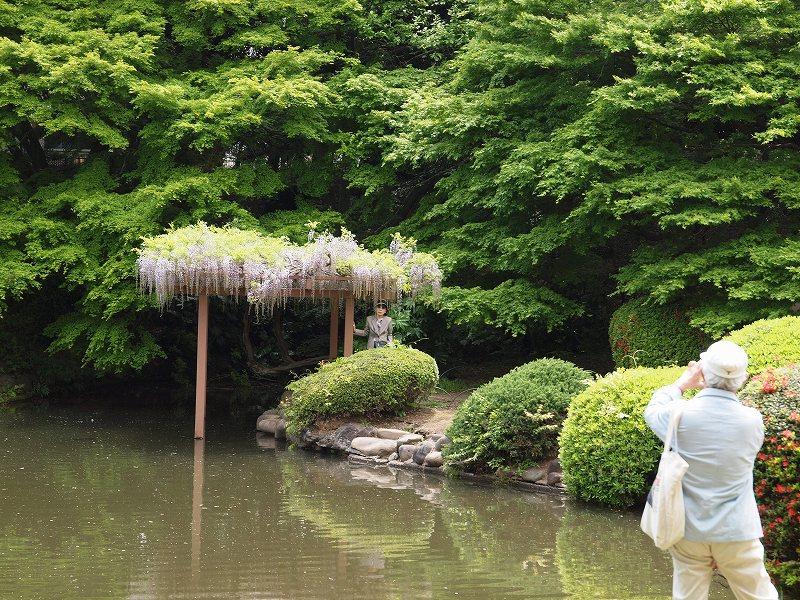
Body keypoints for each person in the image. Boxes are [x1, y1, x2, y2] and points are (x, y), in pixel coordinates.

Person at [644, 340, 779, 600]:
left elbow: (652, 411)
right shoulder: (753, 421)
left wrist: (681, 384)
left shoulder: (679, 415)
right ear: (742, 379)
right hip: (737, 530)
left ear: (703, 374)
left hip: (688, 529)